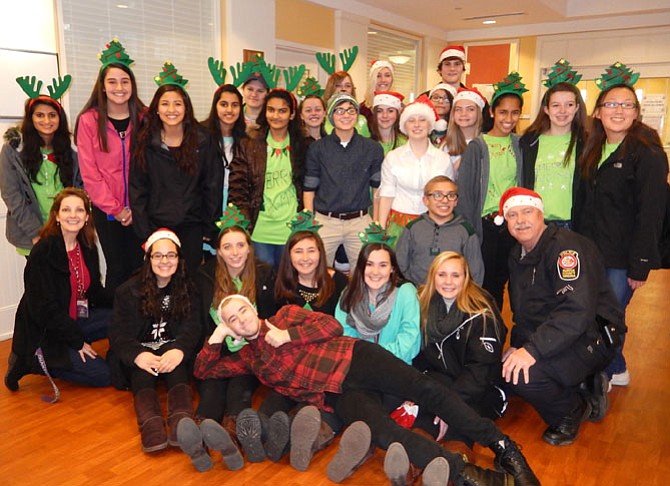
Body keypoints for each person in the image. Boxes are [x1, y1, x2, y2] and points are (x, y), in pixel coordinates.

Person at [194, 295, 541, 486]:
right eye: (233, 320)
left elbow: (330, 324)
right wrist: (217, 335)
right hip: (337, 394)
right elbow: (205, 369)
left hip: (357, 357)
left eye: (242, 310)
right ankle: (470, 476)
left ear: (252, 307)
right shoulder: (250, 359)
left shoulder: (285, 315)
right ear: (232, 328)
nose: (242, 319)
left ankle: (503, 446)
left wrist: (288, 336)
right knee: (385, 434)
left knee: (427, 390)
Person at [498, 187, 624, 446]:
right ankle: (586, 382)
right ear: (506, 221)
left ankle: (573, 409)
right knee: (507, 370)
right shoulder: (517, 254)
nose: (520, 220)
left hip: (593, 333)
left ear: (541, 214)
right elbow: (525, 312)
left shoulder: (567, 250)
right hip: (560, 333)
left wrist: (531, 351)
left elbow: (576, 311)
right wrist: (517, 348)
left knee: (526, 376)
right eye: (512, 215)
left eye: (527, 211)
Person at [573, 62, 668, 387]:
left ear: (636, 113)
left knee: (608, 315)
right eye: (611, 104)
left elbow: (652, 212)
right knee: (593, 311)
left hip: (622, 256)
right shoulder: (593, 147)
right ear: (598, 112)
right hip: (591, 249)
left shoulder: (648, 153)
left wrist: (640, 264)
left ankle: (605, 371)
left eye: (626, 105)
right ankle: (615, 367)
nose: (618, 110)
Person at [5, 188, 111, 395]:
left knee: (120, 317)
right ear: (57, 216)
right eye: (67, 210)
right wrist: (77, 341)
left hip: (76, 319)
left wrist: (129, 299)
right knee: (103, 376)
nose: (73, 215)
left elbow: (95, 291)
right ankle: (31, 360)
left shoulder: (87, 245)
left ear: (87, 216)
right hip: (47, 332)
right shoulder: (43, 252)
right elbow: (44, 311)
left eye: (79, 210)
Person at [108, 228, 200, 453]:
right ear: (148, 259)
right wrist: (139, 355)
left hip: (171, 348)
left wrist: (179, 349)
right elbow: (118, 334)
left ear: (179, 258)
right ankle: (151, 425)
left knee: (178, 369)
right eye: (158, 255)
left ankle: (181, 421)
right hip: (140, 350)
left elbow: (193, 327)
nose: (165, 261)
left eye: (171, 255)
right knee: (142, 374)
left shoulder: (188, 288)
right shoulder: (127, 291)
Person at [129, 62, 222, 275]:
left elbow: (211, 186)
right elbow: (137, 188)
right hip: (156, 225)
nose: (171, 110)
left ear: (186, 107)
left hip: (191, 225)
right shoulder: (144, 141)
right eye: (165, 104)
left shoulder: (203, 140)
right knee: (159, 281)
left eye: (177, 104)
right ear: (156, 108)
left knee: (189, 281)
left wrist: (209, 227)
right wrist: (144, 230)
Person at [194, 204, 277, 437]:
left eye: (241, 245)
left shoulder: (264, 273)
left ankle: (235, 432)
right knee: (211, 388)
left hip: (251, 351)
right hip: (219, 348)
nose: (235, 253)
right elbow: (201, 321)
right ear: (218, 251)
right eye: (227, 247)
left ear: (250, 248)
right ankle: (201, 433)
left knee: (240, 389)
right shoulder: (205, 276)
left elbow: (272, 317)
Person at [75, 39, 145, 291]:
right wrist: (116, 209)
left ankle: (143, 326)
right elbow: (90, 173)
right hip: (107, 212)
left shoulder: (145, 118)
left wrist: (137, 207)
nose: (119, 87)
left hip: (141, 209)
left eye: (125, 81)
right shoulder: (88, 121)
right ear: (102, 86)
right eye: (112, 81)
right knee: (117, 269)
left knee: (141, 267)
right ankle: (118, 327)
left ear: (132, 86)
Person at [413, 251, 507, 433]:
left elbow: (481, 371)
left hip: (480, 389)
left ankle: (458, 457)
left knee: (460, 419)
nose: (448, 282)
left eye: (455, 275)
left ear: (466, 278)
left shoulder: (482, 311)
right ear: (433, 277)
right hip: (441, 379)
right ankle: (417, 453)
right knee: (422, 412)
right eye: (442, 274)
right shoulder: (423, 304)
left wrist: (450, 404)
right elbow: (418, 356)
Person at [457, 71, 526, 309]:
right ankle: (485, 334)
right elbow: (464, 192)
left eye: (514, 112)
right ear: (492, 112)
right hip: (485, 227)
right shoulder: (478, 146)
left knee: (509, 282)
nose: (509, 118)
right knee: (484, 284)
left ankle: (499, 331)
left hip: (513, 225)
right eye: (503, 112)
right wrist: (469, 231)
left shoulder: (520, 145)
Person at [1, 74, 80, 256]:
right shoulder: (13, 150)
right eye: (40, 115)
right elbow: (12, 195)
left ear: (60, 118)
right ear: (31, 118)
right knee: (39, 283)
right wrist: (37, 233)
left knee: (67, 282)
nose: (46, 121)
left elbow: (79, 189)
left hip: (66, 232)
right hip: (31, 236)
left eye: (52, 115)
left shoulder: (72, 151)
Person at [228, 88, 307, 267]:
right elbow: (237, 185)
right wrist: (243, 222)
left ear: (292, 115)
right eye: (271, 110)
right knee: (263, 286)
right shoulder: (249, 143)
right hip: (259, 229)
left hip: (291, 228)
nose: (276, 116)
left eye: (282, 110)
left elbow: (307, 185)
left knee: (287, 284)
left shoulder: (302, 145)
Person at [303, 93, 383, 266]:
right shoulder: (317, 149)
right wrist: (310, 224)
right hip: (325, 221)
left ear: (357, 114)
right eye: (339, 111)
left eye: (351, 110)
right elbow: (309, 189)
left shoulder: (372, 148)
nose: (346, 115)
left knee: (364, 275)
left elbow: (377, 190)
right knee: (318, 272)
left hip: (360, 222)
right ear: (331, 116)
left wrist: (376, 224)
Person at [335, 225, 420, 364]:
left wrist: (376, 359)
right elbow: (344, 335)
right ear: (361, 267)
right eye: (369, 264)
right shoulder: (349, 293)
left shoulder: (406, 292)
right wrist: (364, 358)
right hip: (359, 364)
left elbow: (410, 339)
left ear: (392, 268)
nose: (375, 272)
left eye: (383, 265)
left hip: (398, 365)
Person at [520, 59, 587, 229]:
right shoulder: (529, 141)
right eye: (556, 105)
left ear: (577, 108)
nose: (562, 111)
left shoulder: (587, 142)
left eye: (569, 105)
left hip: (572, 225)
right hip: (535, 224)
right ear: (546, 109)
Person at [376, 95, 454, 239]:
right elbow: (386, 195)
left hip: (433, 225)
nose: (417, 125)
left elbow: (447, 196)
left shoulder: (443, 159)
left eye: (422, 120)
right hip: (398, 225)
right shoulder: (393, 157)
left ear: (430, 125)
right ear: (404, 127)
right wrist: (380, 229)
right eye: (411, 120)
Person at [396, 175, 484, 286]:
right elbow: (400, 265)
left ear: (456, 201)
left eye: (451, 195)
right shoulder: (412, 228)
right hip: (417, 294)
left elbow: (475, 272)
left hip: (453, 294)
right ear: (426, 200)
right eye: (437, 195)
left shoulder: (466, 231)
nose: (445, 200)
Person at [202, 82, 247, 212]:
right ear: (215, 106)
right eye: (223, 104)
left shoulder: (246, 141)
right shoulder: (201, 136)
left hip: (236, 204)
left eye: (235, 105)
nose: (229, 110)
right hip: (207, 204)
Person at [433, 45, 493, 133]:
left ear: (463, 68)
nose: (452, 69)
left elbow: (487, 128)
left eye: (457, 64)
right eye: (447, 64)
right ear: (440, 69)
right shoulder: (426, 98)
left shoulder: (475, 99)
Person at [444, 88, 487, 176]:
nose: (463, 114)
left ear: (479, 113)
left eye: (470, 109)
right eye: (458, 109)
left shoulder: (486, 143)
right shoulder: (445, 146)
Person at [369, 91, 406, 156]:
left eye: (390, 111)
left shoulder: (405, 144)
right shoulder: (366, 144)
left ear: (398, 113)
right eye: (379, 111)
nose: (385, 115)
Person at [360, 59, 395, 126]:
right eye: (378, 76)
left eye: (387, 75)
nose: (383, 80)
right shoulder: (363, 109)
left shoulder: (399, 108)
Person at [427, 83, 456, 147]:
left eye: (446, 98)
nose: (440, 101)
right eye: (436, 97)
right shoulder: (421, 126)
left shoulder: (458, 130)